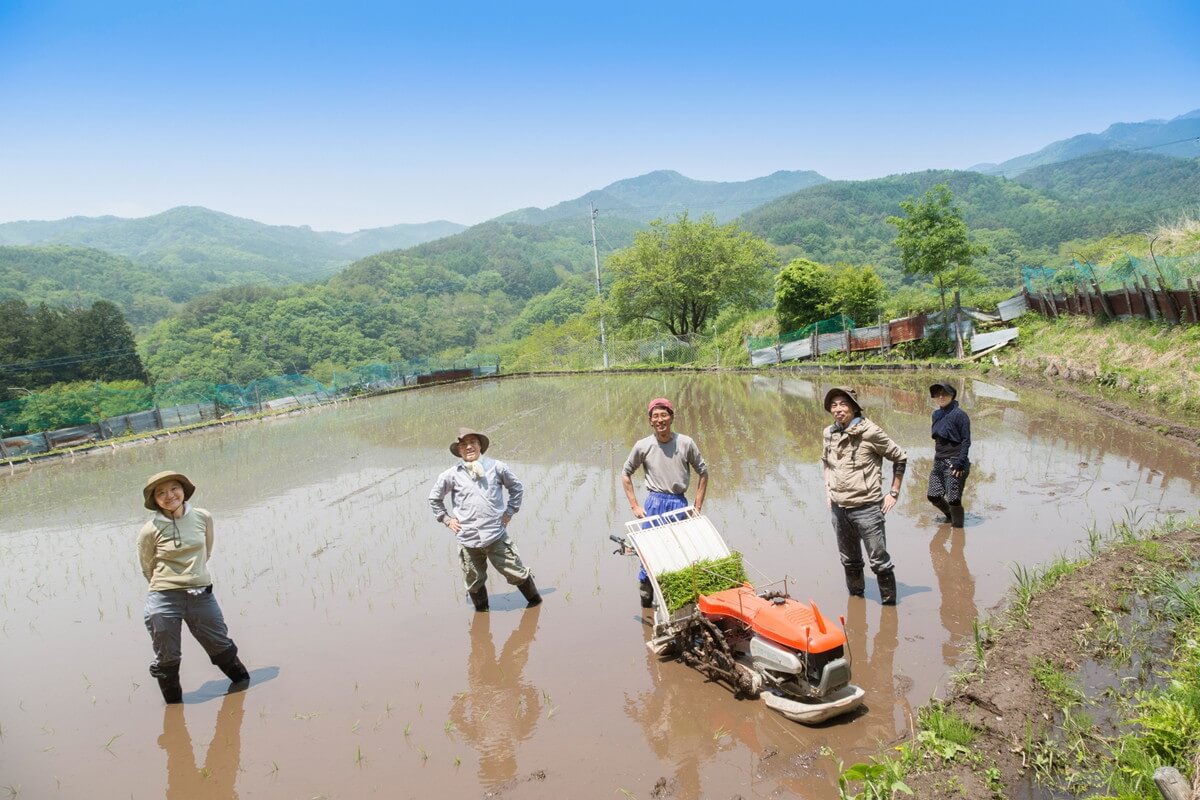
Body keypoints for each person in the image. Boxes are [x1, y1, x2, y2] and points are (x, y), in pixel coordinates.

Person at [138, 471, 250, 704]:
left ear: (184, 490)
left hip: (201, 594)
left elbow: (206, 552)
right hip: (164, 598)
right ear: (155, 500)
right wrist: (168, 585)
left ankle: (244, 690)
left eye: (173, 489)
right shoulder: (150, 529)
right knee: (167, 658)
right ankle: (174, 707)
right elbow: (147, 567)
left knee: (221, 646)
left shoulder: (202, 517)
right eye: (161, 493)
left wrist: (193, 577)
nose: (169, 496)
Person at [429, 428, 541, 612]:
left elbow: (516, 488)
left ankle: (536, 604)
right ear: (459, 451)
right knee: (473, 581)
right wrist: (446, 519)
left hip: (495, 535)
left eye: (473, 442)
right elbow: (434, 498)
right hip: (468, 539)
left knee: (517, 573)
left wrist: (509, 511)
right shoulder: (451, 474)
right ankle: (482, 615)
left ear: (480, 445)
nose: (469, 447)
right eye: (463, 444)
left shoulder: (497, 467)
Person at [820, 387, 908, 605]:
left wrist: (893, 493)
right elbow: (827, 463)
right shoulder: (829, 433)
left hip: (867, 508)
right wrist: (828, 490)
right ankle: (857, 603)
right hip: (840, 509)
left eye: (843, 404)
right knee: (849, 561)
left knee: (879, 562)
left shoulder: (870, 432)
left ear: (854, 406)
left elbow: (900, 457)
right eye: (834, 405)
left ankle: (889, 608)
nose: (838, 409)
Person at [621, 397, 709, 607]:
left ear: (671, 417)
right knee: (648, 554)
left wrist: (696, 508)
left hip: (679, 503)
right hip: (653, 503)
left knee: (680, 555)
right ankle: (646, 601)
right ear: (650, 420)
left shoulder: (685, 443)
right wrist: (634, 505)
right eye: (655, 416)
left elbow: (703, 472)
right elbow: (625, 473)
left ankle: (676, 602)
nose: (660, 420)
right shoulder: (643, 446)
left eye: (664, 415)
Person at [927, 382, 971, 529]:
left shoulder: (960, 415)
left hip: (955, 462)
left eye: (945, 394)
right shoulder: (936, 414)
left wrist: (960, 462)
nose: (941, 397)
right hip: (939, 460)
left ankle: (958, 530)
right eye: (938, 394)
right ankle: (950, 516)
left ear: (952, 395)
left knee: (953, 498)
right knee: (933, 495)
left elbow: (966, 441)